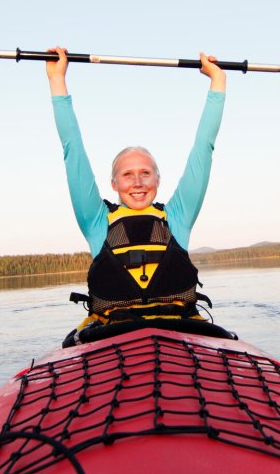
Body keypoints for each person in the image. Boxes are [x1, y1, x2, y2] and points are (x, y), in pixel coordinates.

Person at [45, 47, 227, 332]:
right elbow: (73, 149)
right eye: (127, 175)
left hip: (180, 330)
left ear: (157, 180)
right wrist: (57, 80)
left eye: (145, 173)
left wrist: (217, 81)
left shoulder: (177, 216)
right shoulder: (96, 221)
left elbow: (204, 148)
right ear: (114, 184)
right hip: (112, 333)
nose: (138, 182)